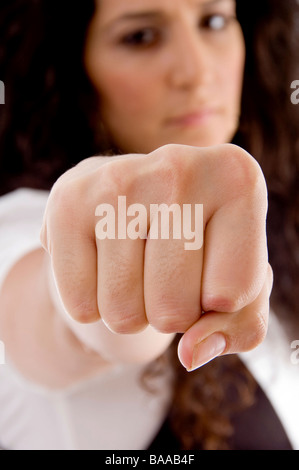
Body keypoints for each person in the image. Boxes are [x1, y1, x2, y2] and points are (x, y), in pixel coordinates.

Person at [0, 0, 298, 450]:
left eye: (213, 22)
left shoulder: (276, 231)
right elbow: (53, 320)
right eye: (140, 37)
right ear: (74, 67)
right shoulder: (23, 226)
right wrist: (109, 226)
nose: (196, 71)